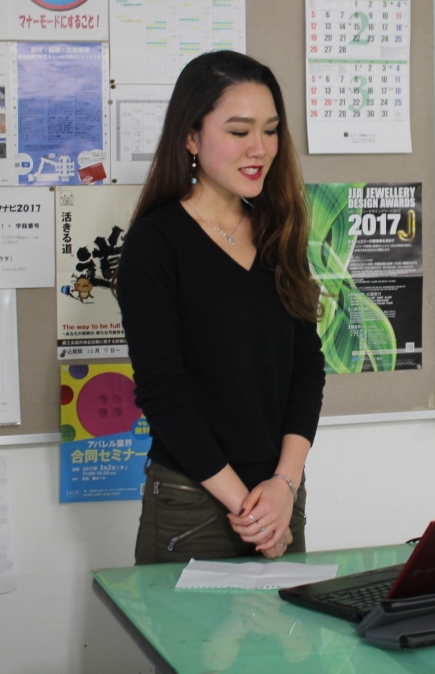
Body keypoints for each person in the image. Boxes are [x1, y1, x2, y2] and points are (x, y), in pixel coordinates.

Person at [116, 50, 325, 565]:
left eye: (271, 130)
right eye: (239, 131)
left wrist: (284, 485)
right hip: (193, 505)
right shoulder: (155, 244)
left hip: (280, 501)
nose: (260, 148)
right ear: (191, 137)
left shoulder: (279, 231)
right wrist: (249, 509)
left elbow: (307, 366)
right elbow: (163, 393)